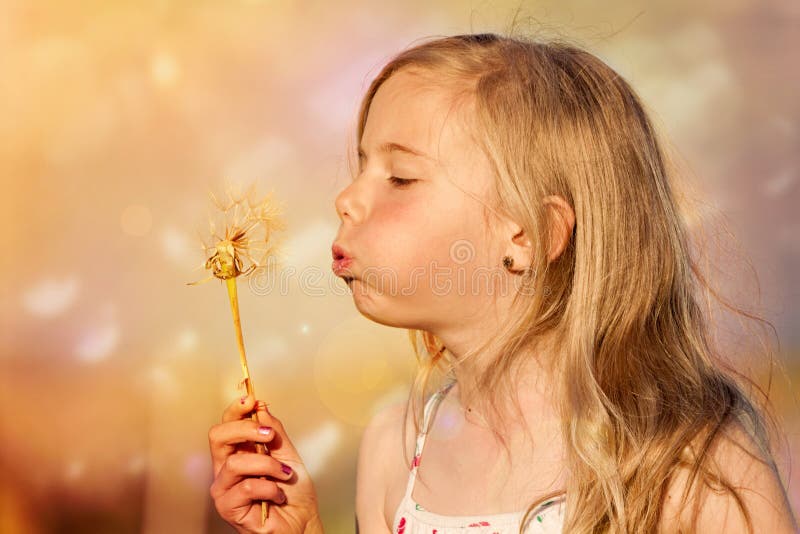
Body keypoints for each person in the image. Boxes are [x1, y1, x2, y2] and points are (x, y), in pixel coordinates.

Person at [208, 32, 799, 533]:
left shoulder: (689, 465)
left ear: (530, 235)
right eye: (362, 165)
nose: (346, 199)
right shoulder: (396, 451)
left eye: (402, 177)